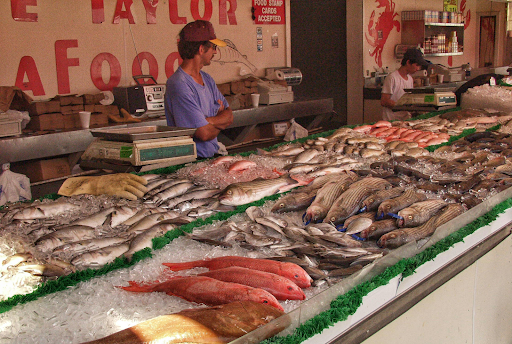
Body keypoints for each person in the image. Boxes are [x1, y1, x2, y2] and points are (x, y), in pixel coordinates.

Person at [165, 20, 233, 159]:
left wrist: (210, 121)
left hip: (211, 157)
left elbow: (229, 115)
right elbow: (204, 134)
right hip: (191, 161)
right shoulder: (179, 85)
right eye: (213, 47)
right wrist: (219, 121)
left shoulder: (207, 79)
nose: (215, 51)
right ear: (201, 49)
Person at [380, 48, 429, 121]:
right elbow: (384, 101)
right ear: (408, 62)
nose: (418, 68)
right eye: (417, 65)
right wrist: (403, 106)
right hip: (391, 121)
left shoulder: (410, 79)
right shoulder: (392, 78)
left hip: (405, 120)